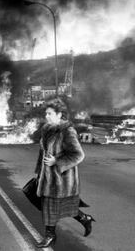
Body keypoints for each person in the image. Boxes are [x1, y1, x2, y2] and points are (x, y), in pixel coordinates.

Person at [34, 99, 95, 248]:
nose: (46, 116)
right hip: (48, 178)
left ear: (59, 114)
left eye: (50, 113)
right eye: (46, 113)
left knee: (66, 208)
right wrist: (39, 172)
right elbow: (43, 153)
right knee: (50, 207)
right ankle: (50, 235)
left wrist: (57, 161)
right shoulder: (46, 129)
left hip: (62, 180)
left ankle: (84, 219)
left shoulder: (67, 131)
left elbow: (78, 155)